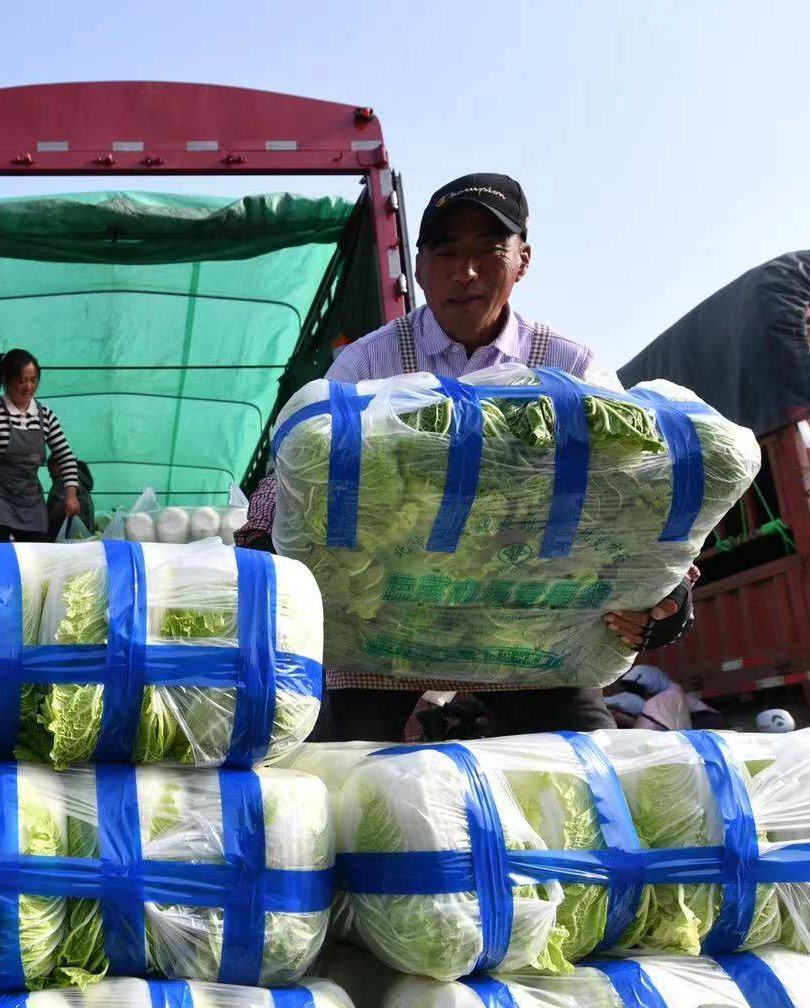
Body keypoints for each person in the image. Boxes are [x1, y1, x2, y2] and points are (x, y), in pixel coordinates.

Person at [236, 172, 694, 741]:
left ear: (522, 260)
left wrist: (665, 590)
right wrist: (258, 541)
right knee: (346, 771)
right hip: (386, 634)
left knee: (588, 770)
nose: (466, 271)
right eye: (446, 251)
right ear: (420, 267)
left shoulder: (570, 366)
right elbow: (299, 467)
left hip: (531, 634)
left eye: (488, 251)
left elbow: (637, 487)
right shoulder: (367, 364)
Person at [0, 348, 81, 544]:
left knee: (37, 559)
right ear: (7, 381)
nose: (28, 386)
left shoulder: (46, 416)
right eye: (22, 381)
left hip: (30, 501)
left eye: (33, 380)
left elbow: (66, 457)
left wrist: (71, 494)